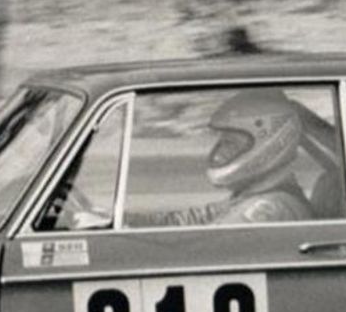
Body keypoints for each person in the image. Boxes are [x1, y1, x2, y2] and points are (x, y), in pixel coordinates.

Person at [127, 92, 313, 227]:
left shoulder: (271, 208)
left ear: (270, 143)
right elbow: (198, 218)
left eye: (230, 143)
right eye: (222, 141)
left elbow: (204, 248)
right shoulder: (253, 193)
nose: (219, 152)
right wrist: (126, 221)